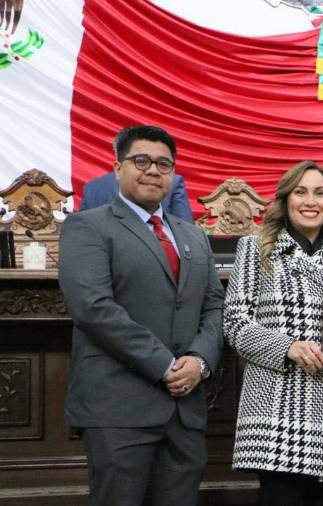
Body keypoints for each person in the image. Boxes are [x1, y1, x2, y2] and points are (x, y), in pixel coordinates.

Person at [58, 125, 224, 506]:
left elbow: (214, 306)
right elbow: (93, 308)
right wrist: (165, 365)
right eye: (141, 160)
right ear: (117, 167)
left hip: (184, 412)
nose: (153, 170)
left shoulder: (192, 235)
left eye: (164, 164)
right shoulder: (88, 226)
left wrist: (199, 361)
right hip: (118, 410)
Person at [223, 161, 323, 504]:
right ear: (285, 201)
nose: (310, 201)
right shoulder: (256, 250)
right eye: (300, 192)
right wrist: (288, 347)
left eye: (319, 192)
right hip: (275, 406)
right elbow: (235, 323)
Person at [80, 146, 193, 221]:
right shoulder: (173, 182)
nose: (152, 170)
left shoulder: (93, 187)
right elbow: (188, 237)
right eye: (141, 162)